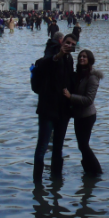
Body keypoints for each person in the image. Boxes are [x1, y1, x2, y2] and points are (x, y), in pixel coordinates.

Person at [33, 33, 77, 183]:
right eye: (67, 42)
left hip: (63, 110)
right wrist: (58, 55)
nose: (69, 45)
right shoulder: (51, 54)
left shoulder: (70, 59)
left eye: (72, 44)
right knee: (42, 147)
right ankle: (37, 183)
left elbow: (70, 81)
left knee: (58, 148)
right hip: (47, 109)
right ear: (61, 42)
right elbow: (45, 64)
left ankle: (56, 182)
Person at [63, 50, 103, 176]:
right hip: (79, 116)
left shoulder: (93, 77)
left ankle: (96, 171)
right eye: (80, 56)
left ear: (90, 59)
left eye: (84, 57)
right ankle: (88, 170)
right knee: (81, 145)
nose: (81, 58)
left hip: (87, 116)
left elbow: (88, 100)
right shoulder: (79, 75)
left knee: (84, 145)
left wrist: (71, 97)